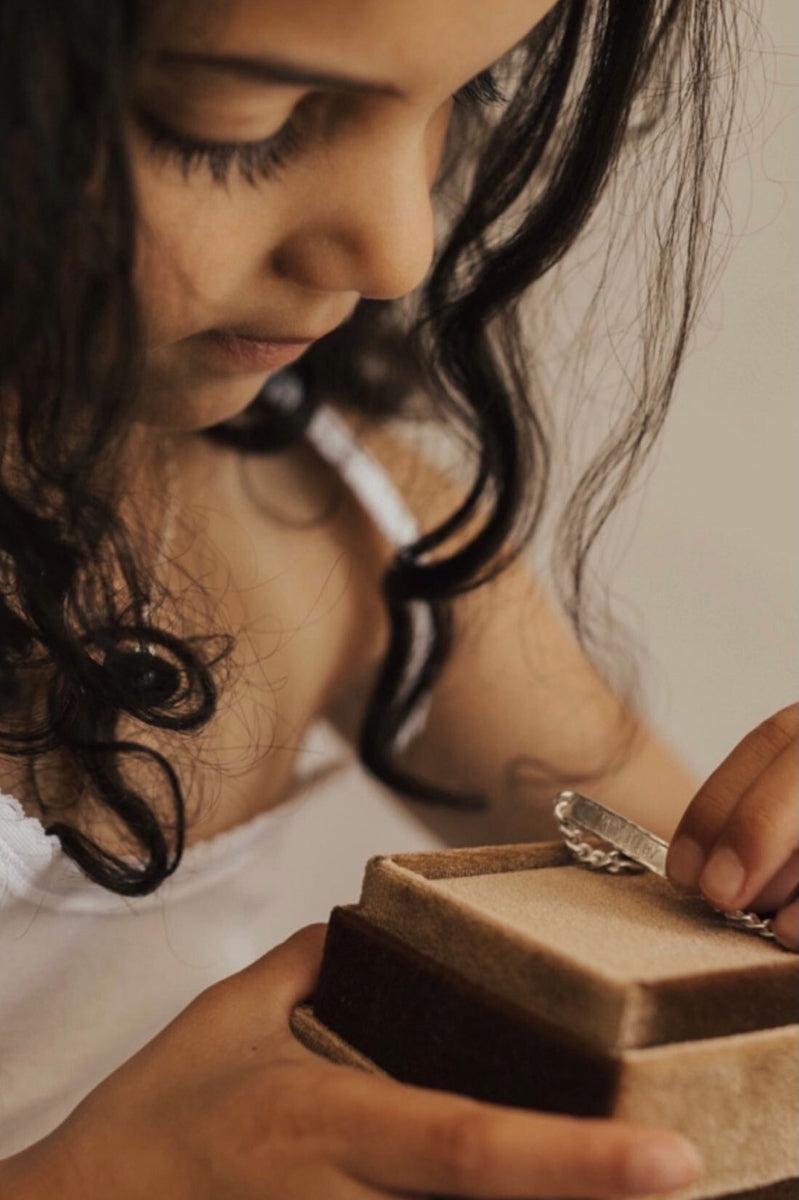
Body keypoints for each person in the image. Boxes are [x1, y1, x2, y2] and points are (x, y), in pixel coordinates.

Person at [0, 0, 795, 1196]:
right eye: (238, 126)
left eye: (465, 94)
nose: (396, 248)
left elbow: (719, 924)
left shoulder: (336, 520)